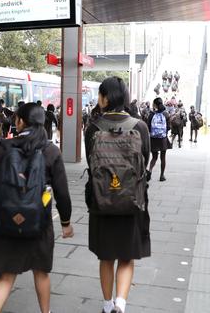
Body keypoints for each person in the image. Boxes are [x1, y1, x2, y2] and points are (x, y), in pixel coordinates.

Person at [0, 103, 73, 313]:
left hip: (6, 222)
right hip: (39, 223)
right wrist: (66, 222)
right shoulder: (50, 150)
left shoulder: (5, 148)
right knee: (41, 273)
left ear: (21, 121)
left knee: (6, 276)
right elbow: (62, 192)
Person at [84, 77, 151, 313]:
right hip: (131, 200)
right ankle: (121, 304)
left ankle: (106, 304)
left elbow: (92, 164)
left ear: (104, 98)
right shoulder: (139, 126)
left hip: (101, 202)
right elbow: (146, 159)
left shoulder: (93, 128)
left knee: (106, 256)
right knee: (126, 256)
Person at [146, 97, 170, 182]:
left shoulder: (151, 114)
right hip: (163, 139)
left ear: (155, 104)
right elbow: (169, 127)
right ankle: (162, 175)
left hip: (153, 139)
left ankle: (150, 171)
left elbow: (148, 126)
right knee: (163, 157)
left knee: (154, 157)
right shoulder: (166, 114)